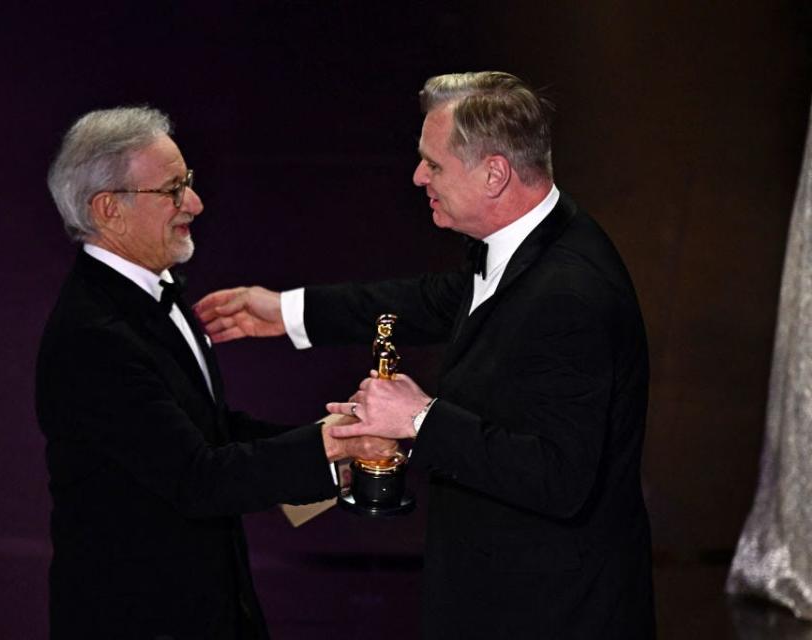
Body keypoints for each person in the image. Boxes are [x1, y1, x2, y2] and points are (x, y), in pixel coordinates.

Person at [196, 72, 655, 639]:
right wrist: (286, 311)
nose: (417, 177)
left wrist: (417, 417)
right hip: (503, 591)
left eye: (433, 165)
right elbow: (429, 300)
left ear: (495, 173)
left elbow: (560, 477)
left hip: (548, 611)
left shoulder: (570, 295)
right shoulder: (532, 243)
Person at [35, 106, 394, 640]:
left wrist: (336, 442)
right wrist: (332, 449)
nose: (195, 205)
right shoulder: (94, 337)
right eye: (172, 191)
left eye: (189, 184)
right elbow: (197, 478)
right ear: (109, 209)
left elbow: (210, 431)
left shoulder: (157, 292)